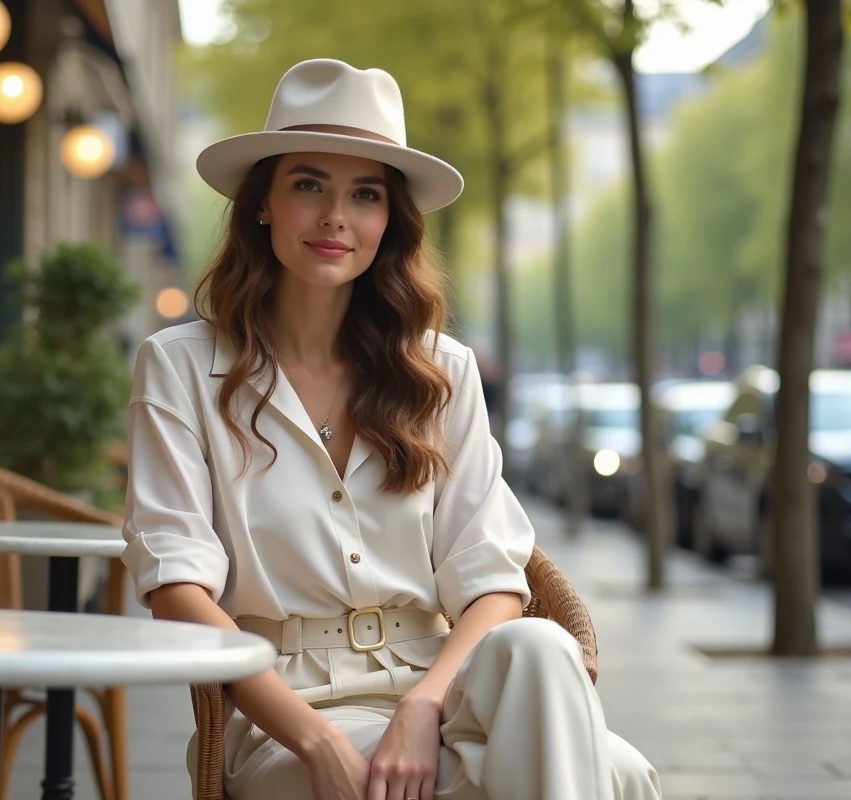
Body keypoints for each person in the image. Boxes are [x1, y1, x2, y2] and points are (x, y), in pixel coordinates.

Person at [121, 58, 661, 800]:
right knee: (618, 778)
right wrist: (317, 739)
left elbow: (494, 580)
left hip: (447, 692)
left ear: (389, 221)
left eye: (365, 194)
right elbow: (176, 586)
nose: (336, 216)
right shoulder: (179, 367)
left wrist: (421, 706)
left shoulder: (443, 373)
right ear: (263, 204)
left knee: (537, 643)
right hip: (289, 710)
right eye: (308, 184)